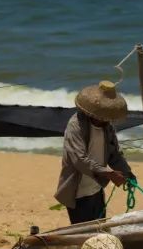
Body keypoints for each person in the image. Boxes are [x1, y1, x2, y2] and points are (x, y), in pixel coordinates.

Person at [54, 81, 135, 224]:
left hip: (96, 188)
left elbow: (114, 154)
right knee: (84, 233)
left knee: (100, 229)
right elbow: (79, 159)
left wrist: (127, 173)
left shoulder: (107, 128)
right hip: (77, 191)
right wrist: (108, 173)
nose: (106, 119)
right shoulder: (76, 125)